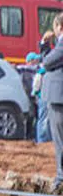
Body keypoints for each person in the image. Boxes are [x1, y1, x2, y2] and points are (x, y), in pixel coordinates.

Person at [42, 33, 63, 185]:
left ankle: (61, 178)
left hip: (58, 98)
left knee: (59, 139)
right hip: (58, 97)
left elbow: (47, 62)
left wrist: (44, 44)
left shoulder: (62, 44)